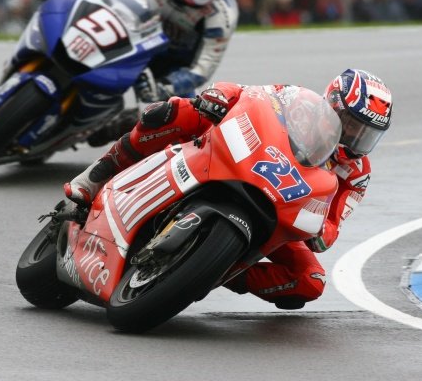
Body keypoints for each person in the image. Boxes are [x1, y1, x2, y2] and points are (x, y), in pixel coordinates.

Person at [64, 69, 393, 309]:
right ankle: (98, 174)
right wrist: (220, 95)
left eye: (366, 133)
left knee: (311, 282)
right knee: (174, 112)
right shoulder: (298, 102)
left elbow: (337, 217)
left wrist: (324, 233)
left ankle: (221, 272)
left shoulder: (357, 171)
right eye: (351, 124)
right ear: (332, 105)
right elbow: (250, 94)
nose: (355, 137)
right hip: (243, 159)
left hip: (282, 212)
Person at [35, 0, 239, 145]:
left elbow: (203, 66)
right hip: (125, 32)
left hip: (169, 63)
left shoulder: (223, 14)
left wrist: (167, 86)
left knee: (189, 124)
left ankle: (122, 126)